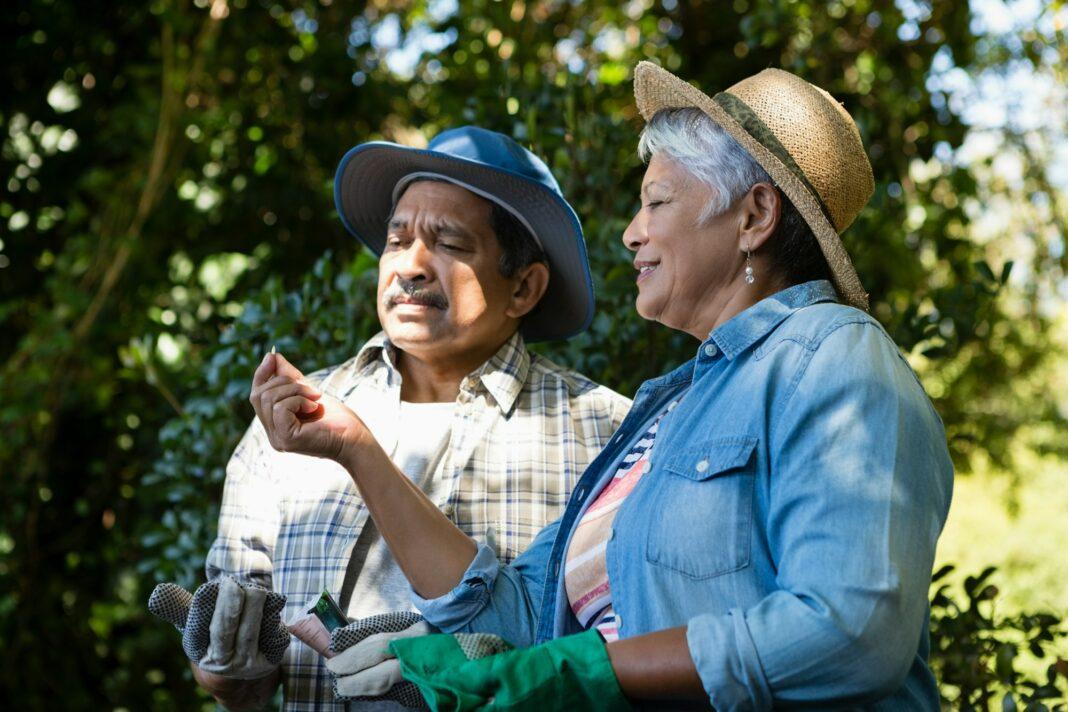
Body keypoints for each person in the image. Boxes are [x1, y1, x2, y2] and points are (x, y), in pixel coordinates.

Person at [250, 64, 954, 710]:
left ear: (754, 216)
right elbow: (519, 617)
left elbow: (852, 630)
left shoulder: (836, 357)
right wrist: (358, 453)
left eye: (656, 202)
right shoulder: (669, 409)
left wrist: (582, 671)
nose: (630, 233)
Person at [177, 126, 631, 711]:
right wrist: (226, 666)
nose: (410, 266)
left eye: (449, 243)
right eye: (397, 240)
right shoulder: (293, 420)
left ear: (523, 287)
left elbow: (615, 657)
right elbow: (240, 687)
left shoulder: (602, 437)